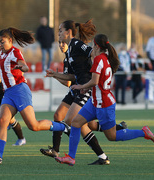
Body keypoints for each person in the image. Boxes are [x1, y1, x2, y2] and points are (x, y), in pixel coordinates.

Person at [55, 34, 154, 166]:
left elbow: (94, 81)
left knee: (112, 136)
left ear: (97, 46)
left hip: (104, 105)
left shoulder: (99, 60)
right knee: (75, 123)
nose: (92, 47)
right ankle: (70, 157)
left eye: (93, 45)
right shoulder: (104, 58)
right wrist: (86, 89)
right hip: (94, 102)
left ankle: (143, 132)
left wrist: (81, 86)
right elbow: (98, 82)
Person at [0, 27, 71, 164]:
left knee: (33, 126)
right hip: (8, 93)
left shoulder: (14, 52)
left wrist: (22, 67)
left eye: (3, 42)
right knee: (2, 120)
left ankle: (64, 127)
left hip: (19, 90)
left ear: (10, 41)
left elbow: (24, 66)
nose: (0, 45)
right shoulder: (4, 53)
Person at [40, 20, 123, 165]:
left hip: (85, 88)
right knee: (65, 117)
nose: (58, 34)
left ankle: (96, 154)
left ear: (68, 32)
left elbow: (94, 53)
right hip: (77, 88)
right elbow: (70, 78)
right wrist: (54, 74)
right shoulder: (69, 51)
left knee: (72, 122)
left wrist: (95, 75)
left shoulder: (77, 44)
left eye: (60, 30)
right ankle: (100, 155)